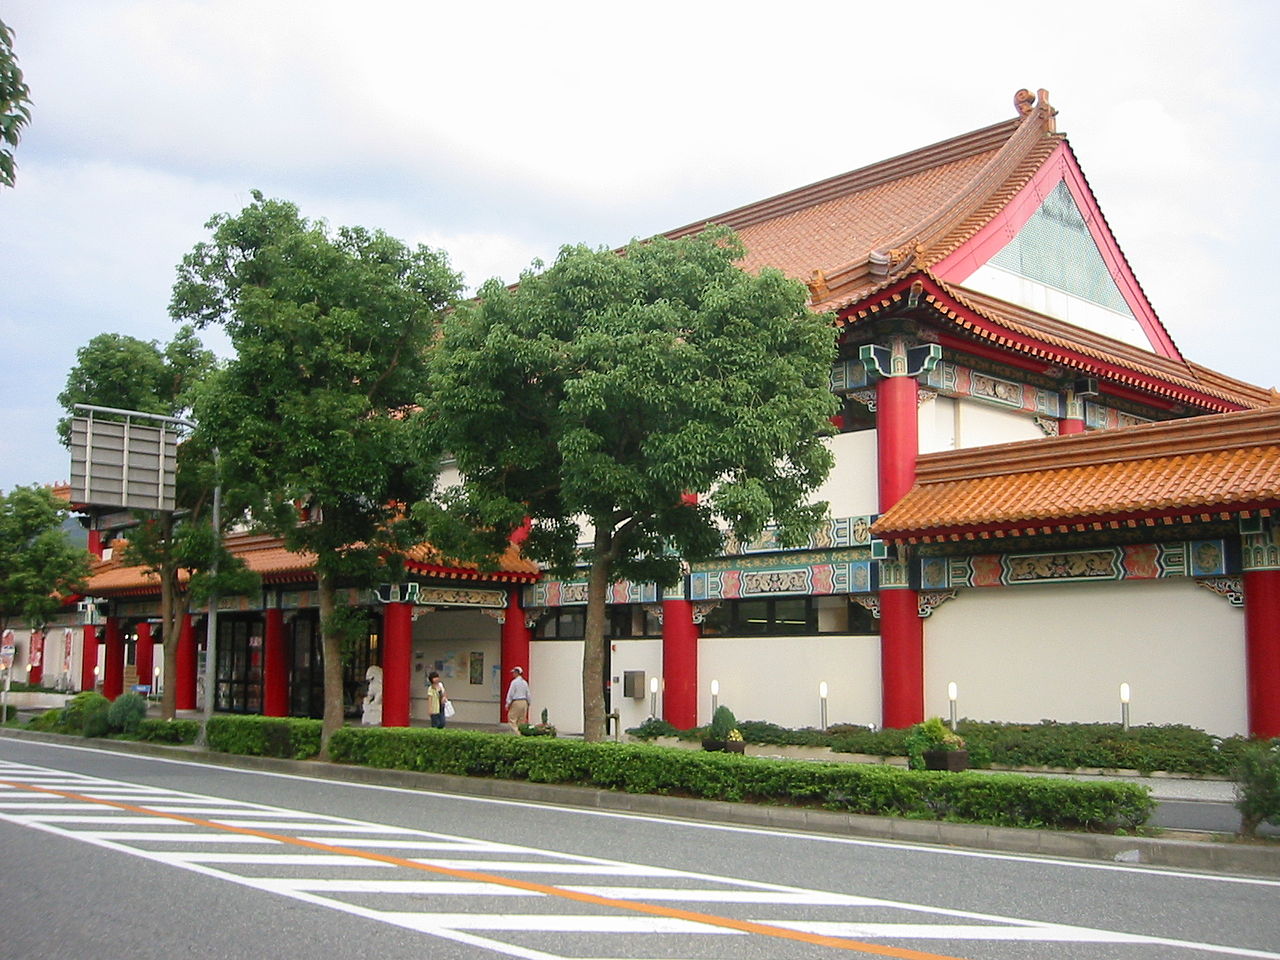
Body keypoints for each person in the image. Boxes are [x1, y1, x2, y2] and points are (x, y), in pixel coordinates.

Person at [505, 666, 530, 733]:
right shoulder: (525, 682)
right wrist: (528, 703)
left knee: (512, 719)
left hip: (516, 701)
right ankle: (522, 733)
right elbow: (528, 694)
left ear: (517, 673)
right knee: (522, 720)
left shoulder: (514, 682)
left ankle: (517, 734)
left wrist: (508, 703)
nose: (513, 674)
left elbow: (511, 693)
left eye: (514, 672)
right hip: (524, 702)